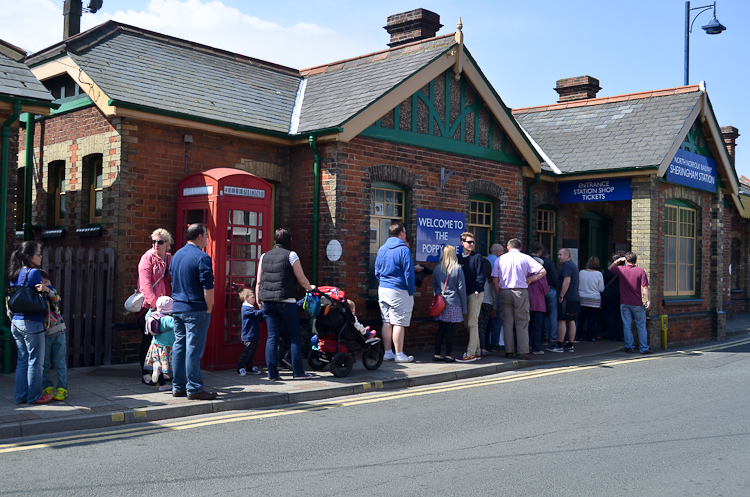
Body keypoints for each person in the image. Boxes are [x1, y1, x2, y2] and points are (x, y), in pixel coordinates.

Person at [256, 227, 315, 380]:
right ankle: (298, 373)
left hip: (267, 301)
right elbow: (301, 279)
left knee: (272, 337)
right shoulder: (291, 255)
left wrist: (258, 299)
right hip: (286, 301)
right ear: (288, 240)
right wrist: (311, 288)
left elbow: (258, 281)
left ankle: (272, 374)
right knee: (294, 336)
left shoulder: (264, 256)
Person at [170, 223, 217, 400]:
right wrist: (209, 306)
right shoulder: (202, 257)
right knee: (193, 350)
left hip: (178, 308)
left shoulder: (176, 256)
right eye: (206, 235)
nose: (207, 238)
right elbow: (208, 286)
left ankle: (178, 386)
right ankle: (195, 388)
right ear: (199, 237)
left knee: (179, 347)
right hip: (195, 309)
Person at [7, 241, 53, 404]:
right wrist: (49, 290)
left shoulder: (15, 272)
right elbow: (50, 295)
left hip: (16, 322)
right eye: (38, 254)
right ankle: (34, 396)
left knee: (22, 361)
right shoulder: (33, 273)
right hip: (32, 322)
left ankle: (20, 396)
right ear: (29, 256)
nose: (41, 257)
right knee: (35, 362)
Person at [492, 238, 546, 361]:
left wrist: (499, 292)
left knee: (507, 323)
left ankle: (509, 351)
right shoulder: (526, 258)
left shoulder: (500, 259)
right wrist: (531, 279)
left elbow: (495, 280)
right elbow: (542, 271)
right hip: (521, 291)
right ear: (520, 248)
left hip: (504, 291)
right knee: (522, 322)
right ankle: (522, 352)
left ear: (507, 247)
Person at [374, 222, 415, 363]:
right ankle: (399, 354)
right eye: (404, 232)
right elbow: (409, 274)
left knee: (386, 321)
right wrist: (411, 291)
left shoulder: (382, 249)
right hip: (399, 289)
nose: (405, 235)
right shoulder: (404, 250)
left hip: (383, 289)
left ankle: (387, 352)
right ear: (401, 233)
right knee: (398, 322)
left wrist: (383, 283)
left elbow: (377, 272)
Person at [137, 228, 173, 385]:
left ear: (167, 243)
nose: (156, 245)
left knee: (165, 340)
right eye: (153, 242)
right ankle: (146, 372)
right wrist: (154, 305)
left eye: (159, 242)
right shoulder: (147, 258)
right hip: (149, 308)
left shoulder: (170, 258)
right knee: (149, 339)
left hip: (167, 307)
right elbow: (144, 285)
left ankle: (163, 371)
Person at [608, 252, 652, 354]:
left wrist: (618, 261)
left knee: (627, 325)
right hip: (637, 303)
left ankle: (629, 347)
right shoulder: (641, 271)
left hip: (624, 303)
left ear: (626, 260)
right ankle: (644, 348)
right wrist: (648, 300)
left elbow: (610, 268)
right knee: (641, 326)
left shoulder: (621, 269)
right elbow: (645, 287)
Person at [432, 245, 467, 362]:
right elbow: (461, 289)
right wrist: (464, 307)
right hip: (454, 302)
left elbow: (434, 286)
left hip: (441, 304)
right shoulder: (457, 268)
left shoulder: (437, 268)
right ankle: (448, 355)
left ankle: (437, 354)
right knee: (450, 330)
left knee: (441, 329)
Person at [457, 232, 486, 362]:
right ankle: (478, 351)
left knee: (472, 323)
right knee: (467, 324)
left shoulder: (477, 257)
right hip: (463, 295)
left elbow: (481, 275)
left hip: (475, 294)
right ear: (462, 243)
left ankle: (470, 354)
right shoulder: (458, 258)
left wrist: (477, 290)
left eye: (473, 242)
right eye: (469, 242)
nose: (472, 244)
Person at [40, 270, 68, 401]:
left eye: (47, 281)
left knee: (60, 362)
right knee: (44, 363)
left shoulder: (52, 291)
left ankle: (62, 388)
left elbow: (56, 299)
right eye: (43, 281)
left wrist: (47, 289)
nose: (46, 283)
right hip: (45, 334)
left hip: (59, 331)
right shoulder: (37, 295)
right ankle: (47, 387)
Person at [548, 248, 580, 353]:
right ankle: (570, 345)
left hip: (567, 298)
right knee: (571, 321)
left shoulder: (567, 266)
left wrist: (561, 295)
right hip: (574, 297)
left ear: (567, 255)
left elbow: (567, 281)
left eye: (560, 255)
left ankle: (560, 345)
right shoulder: (573, 266)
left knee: (561, 321)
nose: (558, 257)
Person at [144, 296, 176, 391]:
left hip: (155, 345)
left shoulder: (151, 315)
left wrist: (151, 309)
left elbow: (146, 318)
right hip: (166, 347)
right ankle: (168, 384)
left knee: (158, 364)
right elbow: (177, 327)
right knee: (165, 365)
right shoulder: (168, 319)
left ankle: (161, 383)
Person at [530, 242, 558, 344]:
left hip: (530, 293)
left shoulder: (527, 260)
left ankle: (544, 335)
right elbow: (554, 278)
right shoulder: (548, 263)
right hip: (549, 290)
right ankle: (552, 336)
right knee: (551, 314)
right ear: (541, 252)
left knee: (533, 319)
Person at [236, 288, 265, 376]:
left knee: (252, 353)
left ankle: (249, 367)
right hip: (248, 335)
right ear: (246, 298)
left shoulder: (251, 308)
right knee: (247, 352)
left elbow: (258, 318)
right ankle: (240, 368)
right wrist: (264, 308)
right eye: (252, 297)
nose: (254, 299)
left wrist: (264, 314)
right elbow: (256, 314)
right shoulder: (245, 308)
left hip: (254, 334)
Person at [578, 257, 605, 341]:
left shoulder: (581, 272)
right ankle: (589, 337)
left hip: (582, 298)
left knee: (581, 318)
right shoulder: (598, 274)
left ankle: (577, 336)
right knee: (592, 319)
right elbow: (601, 288)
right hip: (594, 299)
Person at [486, 244, 505, 351]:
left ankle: (486, 343)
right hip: (495, 293)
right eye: (502, 251)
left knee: (486, 320)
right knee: (497, 319)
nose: (502, 253)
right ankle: (495, 343)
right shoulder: (498, 262)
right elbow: (497, 280)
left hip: (484, 294)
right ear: (497, 252)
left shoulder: (486, 260)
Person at [527, 264, 549, 354]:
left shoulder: (526, 276)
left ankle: (525, 346)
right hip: (538, 304)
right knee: (537, 327)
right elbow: (546, 290)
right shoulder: (542, 277)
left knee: (526, 327)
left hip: (527, 303)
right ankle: (536, 348)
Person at [602, 253, 624, 341]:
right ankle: (620, 336)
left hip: (608, 296)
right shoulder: (625, 271)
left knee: (610, 317)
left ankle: (613, 337)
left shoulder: (610, 271)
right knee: (620, 317)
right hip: (620, 296)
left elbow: (604, 280)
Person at [477, 258, 495, 356]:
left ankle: (481, 348)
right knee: (485, 325)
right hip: (489, 304)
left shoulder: (478, 277)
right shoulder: (490, 278)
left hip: (479, 303)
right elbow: (493, 294)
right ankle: (485, 346)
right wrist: (495, 308)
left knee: (480, 326)